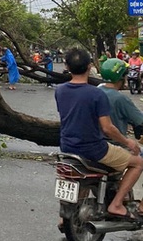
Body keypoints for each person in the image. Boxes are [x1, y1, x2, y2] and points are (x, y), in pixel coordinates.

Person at [55, 47, 143, 220]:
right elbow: (107, 128)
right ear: (89, 67)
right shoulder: (96, 94)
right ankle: (116, 204)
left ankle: (65, 219)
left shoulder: (60, 90)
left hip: (67, 146)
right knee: (138, 163)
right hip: (94, 149)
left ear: (67, 66)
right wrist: (128, 142)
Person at [99, 58, 143, 142]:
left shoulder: (97, 91)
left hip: (96, 143)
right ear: (121, 77)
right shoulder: (120, 98)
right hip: (116, 144)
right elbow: (139, 119)